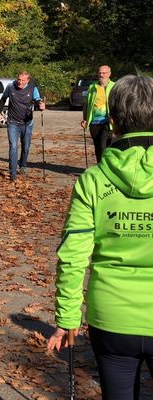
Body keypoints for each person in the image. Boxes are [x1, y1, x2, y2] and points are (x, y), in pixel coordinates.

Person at [47, 75, 153, 399]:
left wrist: (67, 316)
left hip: (112, 316)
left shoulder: (93, 181)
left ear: (113, 120)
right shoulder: (91, 179)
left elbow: (73, 253)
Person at [0, 71, 45, 181]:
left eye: (22, 80)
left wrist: (40, 105)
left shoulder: (33, 88)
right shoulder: (10, 87)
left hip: (27, 123)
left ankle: (22, 165)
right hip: (13, 122)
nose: (20, 82)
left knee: (26, 147)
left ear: (28, 81)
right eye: (18, 79)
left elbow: (37, 101)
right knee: (13, 146)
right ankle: (12, 172)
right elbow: (3, 99)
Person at [81, 65, 115, 163]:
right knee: (98, 147)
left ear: (109, 74)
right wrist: (85, 119)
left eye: (104, 73)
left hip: (108, 122)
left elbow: (120, 104)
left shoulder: (115, 86)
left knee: (103, 145)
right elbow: (87, 104)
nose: (101, 75)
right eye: (99, 73)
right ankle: (100, 166)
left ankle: (106, 167)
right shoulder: (92, 87)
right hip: (94, 122)